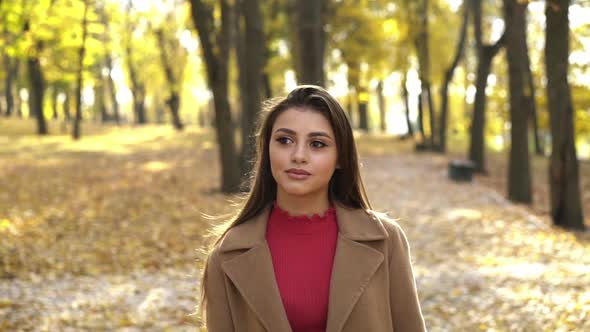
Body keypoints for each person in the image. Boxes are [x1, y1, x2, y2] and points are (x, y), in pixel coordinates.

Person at [200, 85, 426, 332]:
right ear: (267, 150)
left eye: (317, 144)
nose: (298, 155)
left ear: (340, 157)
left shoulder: (385, 241)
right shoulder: (227, 255)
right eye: (284, 140)